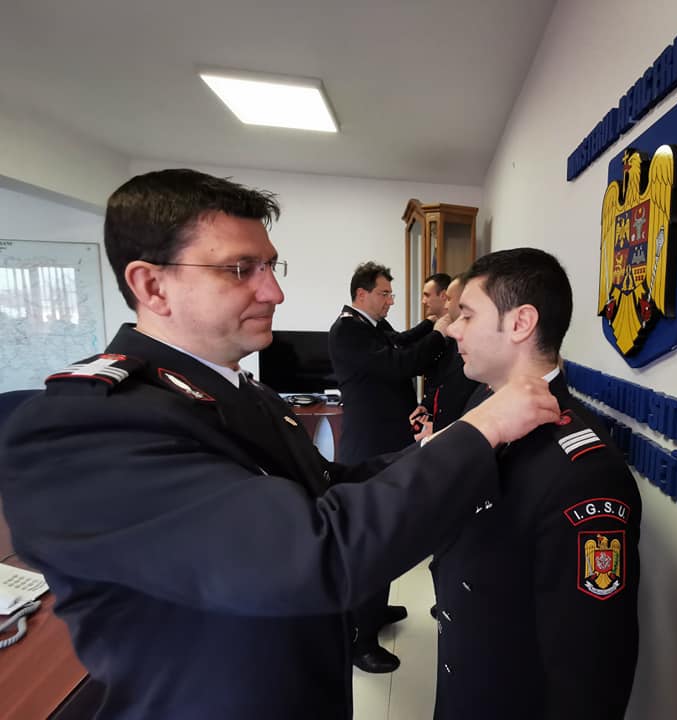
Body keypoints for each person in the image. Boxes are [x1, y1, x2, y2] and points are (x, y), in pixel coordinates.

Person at [0, 169, 560, 720]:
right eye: (240, 269)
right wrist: (481, 429)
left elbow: (329, 485)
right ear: (152, 286)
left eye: (270, 266)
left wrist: (445, 443)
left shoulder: (240, 390)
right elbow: (315, 554)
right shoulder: (83, 426)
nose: (274, 291)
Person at [432, 247, 642, 720]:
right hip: (466, 680)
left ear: (521, 323)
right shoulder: (482, 406)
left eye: (467, 314)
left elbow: (589, 667)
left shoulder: (583, 471)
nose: (453, 329)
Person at [327, 261, 448, 672]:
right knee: (373, 540)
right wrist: (439, 333)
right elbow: (400, 363)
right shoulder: (348, 331)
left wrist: (430, 324)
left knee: (388, 534)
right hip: (369, 450)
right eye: (384, 293)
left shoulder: (369, 327)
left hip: (384, 444)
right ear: (361, 294)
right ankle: (360, 641)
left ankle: (374, 612)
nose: (390, 300)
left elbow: (397, 341)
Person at [409, 274, 480, 437]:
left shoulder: (477, 343)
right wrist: (427, 405)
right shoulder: (446, 334)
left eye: (449, 299)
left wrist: (441, 429)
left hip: (460, 433)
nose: (446, 305)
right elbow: (440, 378)